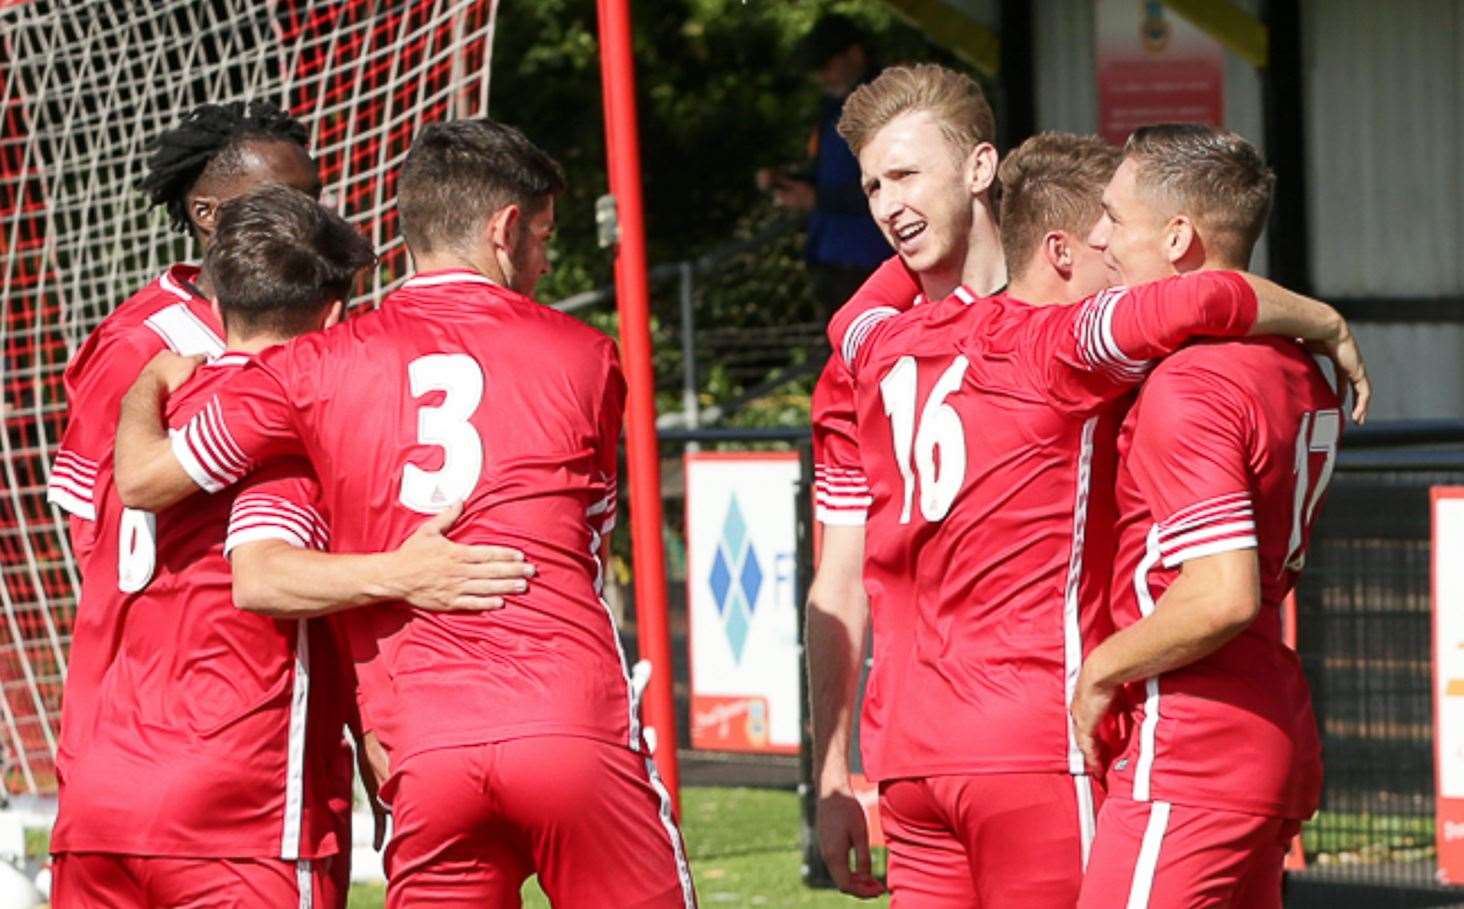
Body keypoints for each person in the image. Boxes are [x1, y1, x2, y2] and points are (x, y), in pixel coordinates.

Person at [111, 119, 695, 909]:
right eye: (544, 237)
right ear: (506, 229)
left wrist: (148, 381)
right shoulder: (585, 354)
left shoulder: (313, 366)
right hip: (567, 722)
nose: (546, 259)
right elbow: (587, 543)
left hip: (421, 750)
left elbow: (146, 481)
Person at [827, 109, 1368, 904]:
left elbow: (849, 320)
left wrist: (920, 236)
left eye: (903, 178)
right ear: (1059, 248)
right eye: (1100, 225)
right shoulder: (1077, 347)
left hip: (919, 745)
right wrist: (1322, 317)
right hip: (1053, 733)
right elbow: (1206, 299)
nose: (1109, 247)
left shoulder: (873, 344)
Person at [49, 185, 525, 907]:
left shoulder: (151, 405)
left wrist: (144, 387)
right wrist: (406, 575)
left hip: (98, 795)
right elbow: (265, 577)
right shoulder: (299, 418)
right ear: (334, 315)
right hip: (237, 804)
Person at [1073, 124, 1355, 909]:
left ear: (1177, 238)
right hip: (1264, 731)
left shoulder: (1191, 383)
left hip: (1192, 745)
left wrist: (1099, 670)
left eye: (1114, 218)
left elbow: (1220, 592)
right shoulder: (1298, 366)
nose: (1099, 240)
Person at [805, 63, 999, 899]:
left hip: (1053, 748)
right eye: (874, 183)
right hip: (912, 763)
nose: (887, 204)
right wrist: (831, 767)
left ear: (981, 169)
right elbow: (840, 579)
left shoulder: (1070, 327)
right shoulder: (854, 363)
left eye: (907, 174)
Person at [763, 13, 892, 318]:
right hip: (833, 255)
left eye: (826, 65)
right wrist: (789, 179)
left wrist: (815, 198)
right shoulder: (833, 107)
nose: (821, 76)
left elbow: (888, 185)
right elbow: (828, 169)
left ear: (855, 55)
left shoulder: (886, 106)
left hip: (872, 259)